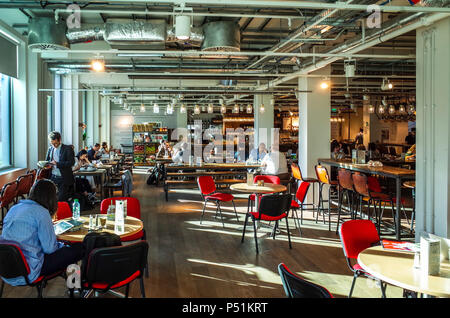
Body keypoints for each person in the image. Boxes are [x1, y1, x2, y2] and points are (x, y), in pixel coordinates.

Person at [0, 180, 84, 287]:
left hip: (7, 271)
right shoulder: (41, 213)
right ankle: (78, 285)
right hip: (30, 272)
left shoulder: (14, 208)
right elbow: (50, 249)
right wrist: (63, 245)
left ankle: (75, 285)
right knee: (78, 248)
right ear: (51, 197)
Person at [45, 131, 75, 202]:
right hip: (53, 177)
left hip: (63, 178)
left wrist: (57, 164)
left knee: (61, 199)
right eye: (52, 143)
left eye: (55, 143)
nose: (54, 145)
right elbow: (48, 160)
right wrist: (47, 165)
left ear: (59, 140)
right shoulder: (50, 149)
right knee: (52, 198)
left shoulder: (67, 149)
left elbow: (71, 162)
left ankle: (63, 212)